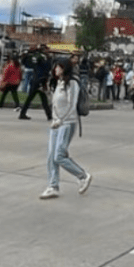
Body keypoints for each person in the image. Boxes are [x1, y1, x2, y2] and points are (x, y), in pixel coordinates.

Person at [38, 57, 93, 200]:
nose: (55, 69)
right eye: (55, 66)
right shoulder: (60, 82)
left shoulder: (72, 83)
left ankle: (83, 176)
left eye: (58, 66)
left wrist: (61, 120)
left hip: (67, 123)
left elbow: (71, 104)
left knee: (59, 156)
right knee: (51, 156)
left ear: (64, 68)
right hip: (56, 123)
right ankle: (53, 186)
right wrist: (46, 92)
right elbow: (56, 103)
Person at [19, 45, 52, 121]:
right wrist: (49, 59)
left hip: (34, 78)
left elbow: (26, 63)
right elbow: (47, 67)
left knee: (35, 98)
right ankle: (49, 115)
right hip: (41, 79)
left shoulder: (34, 56)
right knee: (43, 99)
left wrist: (26, 55)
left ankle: (23, 113)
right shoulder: (43, 57)